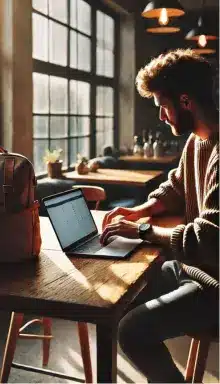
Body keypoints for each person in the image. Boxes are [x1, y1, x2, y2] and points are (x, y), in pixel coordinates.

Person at [100, 49, 219, 383]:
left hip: (215, 285)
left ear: (185, 101)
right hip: (194, 269)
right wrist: (142, 209)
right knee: (118, 295)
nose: (162, 117)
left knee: (131, 331)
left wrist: (141, 228)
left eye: (163, 107)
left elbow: (206, 238)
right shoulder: (198, 141)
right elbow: (177, 186)